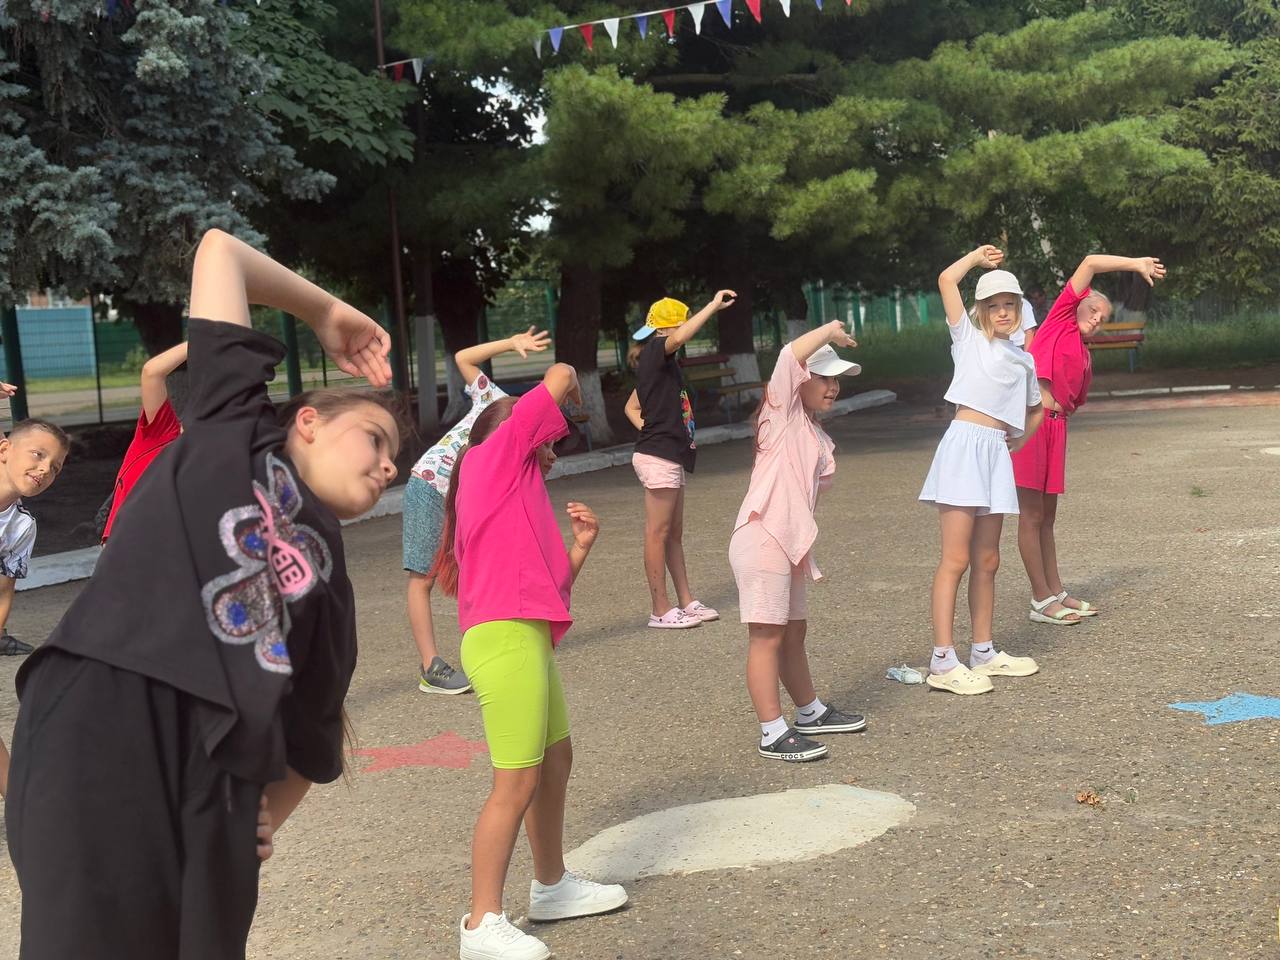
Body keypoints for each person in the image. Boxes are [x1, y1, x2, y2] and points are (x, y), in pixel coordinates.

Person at [4, 228, 401, 959]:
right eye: (375, 438)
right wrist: (324, 310)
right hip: (101, 711)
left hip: (214, 775)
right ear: (308, 422)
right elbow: (220, 250)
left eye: (394, 459)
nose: (388, 465)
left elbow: (312, 741)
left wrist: (258, 817)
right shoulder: (232, 430)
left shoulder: (333, 592)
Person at [432, 363, 626, 960]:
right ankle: (480, 923)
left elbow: (547, 592)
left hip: (525, 634)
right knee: (515, 781)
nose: (551, 449)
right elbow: (561, 374)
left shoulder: (514, 494)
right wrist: (556, 380)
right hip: (505, 639)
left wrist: (579, 549)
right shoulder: (492, 460)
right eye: (544, 438)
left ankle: (551, 885)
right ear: (515, 433)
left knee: (555, 758)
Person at [731, 320, 867, 761]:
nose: (833, 387)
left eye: (836, 380)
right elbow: (788, 355)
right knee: (766, 636)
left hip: (789, 544)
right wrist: (829, 330)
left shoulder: (811, 429)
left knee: (794, 632)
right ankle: (772, 732)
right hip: (763, 536)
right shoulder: (780, 416)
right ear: (800, 380)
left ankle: (810, 712)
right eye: (823, 377)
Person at [1012, 254, 1165, 625]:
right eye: (1094, 310)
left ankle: (1055, 591)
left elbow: (1072, 401)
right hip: (1033, 426)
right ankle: (1040, 599)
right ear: (1077, 303)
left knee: (1047, 517)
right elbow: (1091, 262)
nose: (1097, 319)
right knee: (1032, 516)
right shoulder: (1058, 321)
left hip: (1056, 427)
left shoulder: (1082, 353)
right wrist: (1136, 264)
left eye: (1104, 318)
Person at [918, 245, 1044, 696]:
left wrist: (1019, 440)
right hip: (963, 448)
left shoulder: (1024, 360)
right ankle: (942, 660)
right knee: (955, 559)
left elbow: (1037, 408)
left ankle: (984, 652)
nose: (1003, 312)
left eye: (1010, 304)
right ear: (981, 311)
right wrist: (975, 257)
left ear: (1019, 308)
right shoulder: (968, 340)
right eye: (994, 305)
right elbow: (945, 280)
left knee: (988, 559)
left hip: (995, 454)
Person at [403, 327, 551, 694]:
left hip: (460, 494)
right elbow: (462, 358)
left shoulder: (523, 439)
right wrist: (511, 343)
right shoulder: (495, 400)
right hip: (430, 482)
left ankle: (488, 643)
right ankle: (431, 667)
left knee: (474, 568)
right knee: (422, 578)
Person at [624, 290, 736, 629]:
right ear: (668, 329)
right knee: (657, 533)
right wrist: (713, 306)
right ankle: (660, 609)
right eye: (682, 325)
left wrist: (654, 429)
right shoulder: (657, 350)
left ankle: (686, 601)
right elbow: (679, 337)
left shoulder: (661, 364)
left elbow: (631, 406)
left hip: (668, 453)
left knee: (673, 533)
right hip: (658, 456)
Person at [0, 409, 70, 798]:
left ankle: (24, 809)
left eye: (55, 467)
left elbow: (3, 590)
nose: (45, 469)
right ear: (4, 449)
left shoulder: (21, 526)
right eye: (38, 455)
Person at [100, 341, 188, 543]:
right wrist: (206, 337)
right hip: (129, 542)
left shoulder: (211, 458)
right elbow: (152, 372)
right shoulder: (162, 435)